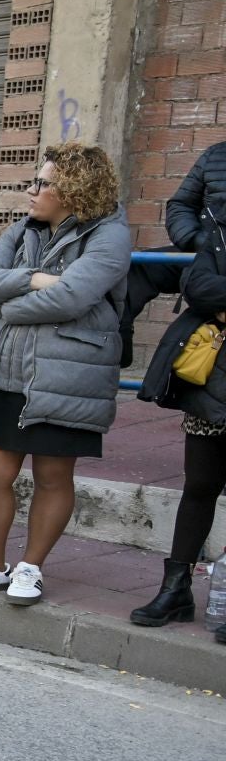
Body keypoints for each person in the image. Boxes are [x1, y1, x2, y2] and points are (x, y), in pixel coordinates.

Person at [0, 144, 130, 606]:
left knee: (52, 475)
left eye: (42, 183)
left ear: (73, 190)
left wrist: (6, 304)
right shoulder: (24, 228)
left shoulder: (110, 235)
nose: (31, 191)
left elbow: (71, 299)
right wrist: (31, 279)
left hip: (69, 374)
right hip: (7, 369)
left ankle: (31, 567)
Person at [135, 149, 226, 632]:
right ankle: (175, 589)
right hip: (213, 371)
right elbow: (201, 288)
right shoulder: (216, 235)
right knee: (200, 485)